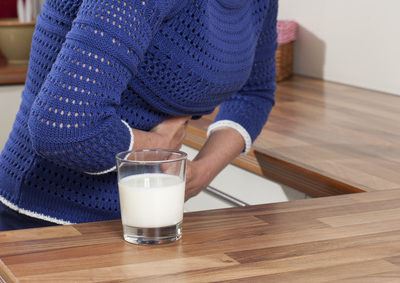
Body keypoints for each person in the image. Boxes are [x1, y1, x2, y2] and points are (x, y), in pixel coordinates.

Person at [0, 0, 278, 230]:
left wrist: (201, 172)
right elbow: (62, 128)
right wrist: (158, 147)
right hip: (42, 219)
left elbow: (255, 93)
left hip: (147, 217)